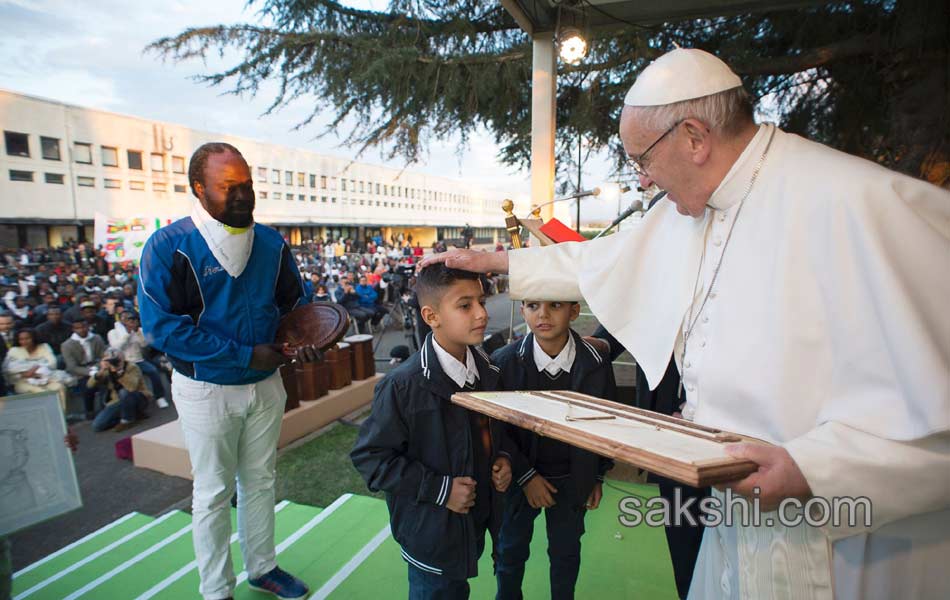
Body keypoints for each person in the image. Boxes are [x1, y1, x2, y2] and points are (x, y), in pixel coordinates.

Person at [420, 48, 950, 599]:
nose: (643, 181)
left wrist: (813, 469)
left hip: (849, 548)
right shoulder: (697, 208)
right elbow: (607, 259)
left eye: (642, 161)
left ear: (694, 137)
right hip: (737, 520)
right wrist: (500, 262)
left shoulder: (862, 203)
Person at [139, 142, 318, 600]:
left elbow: (294, 304)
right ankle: (217, 589)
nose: (243, 196)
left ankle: (262, 568)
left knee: (260, 481)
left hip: (266, 384)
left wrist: (310, 335)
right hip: (206, 389)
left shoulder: (272, 242)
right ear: (198, 188)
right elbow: (163, 329)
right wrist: (244, 355)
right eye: (229, 187)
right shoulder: (167, 246)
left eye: (247, 185)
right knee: (214, 491)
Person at [351, 263, 510, 599]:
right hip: (430, 536)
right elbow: (370, 458)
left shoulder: (488, 371)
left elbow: (493, 434)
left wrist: (502, 458)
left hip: (474, 524)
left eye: (481, 301)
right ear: (431, 316)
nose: (481, 313)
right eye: (465, 305)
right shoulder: (402, 386)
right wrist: (441, 490)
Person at [491, 300, 616, 600]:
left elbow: (607, 423)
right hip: (520, 482)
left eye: (555, 305)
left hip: (573, 481)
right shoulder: (504, 361)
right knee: (509, 551)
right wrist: (525, 477)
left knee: (566, 553)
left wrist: (596, 476)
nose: (543, 314)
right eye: (533, 305)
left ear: (574, 311)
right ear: (522, 311)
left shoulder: (596, 363)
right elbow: (496, 428)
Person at [109, 311, 170, 408]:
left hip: (139, 360)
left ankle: (160, 397)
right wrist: (127, 334)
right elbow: (116, 347)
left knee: (153, 371)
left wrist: (137, 332)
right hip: (124, 363)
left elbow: (146, 344)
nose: (129, 321)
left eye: (131, 319)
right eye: (125, 318)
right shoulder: (113, 332)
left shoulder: (140, 330)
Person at [87, 348, 149, 432]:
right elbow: (89, 385)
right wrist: (101, 371)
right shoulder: (107, 370)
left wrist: (119, 371)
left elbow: (132, 387)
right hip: (118, 401)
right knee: (97, 426)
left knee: (124, 392)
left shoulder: (131, 367)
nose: (114, 362)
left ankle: (127, 421)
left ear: (122, 358)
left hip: (138, 397)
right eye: (111, 360)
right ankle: (133, 415)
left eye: (116, 360)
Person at [2, 328, 67, 407]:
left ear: (34, 338)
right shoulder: (14, 351)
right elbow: (7, 370)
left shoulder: (44, 346)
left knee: (59, 387)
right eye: (21, 339)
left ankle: (61, 416)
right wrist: (23, 374)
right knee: (41, 392)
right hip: (23, 382)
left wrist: (36, 368)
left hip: (46, 378)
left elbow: (52, 363)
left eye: (27, 338)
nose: (24, 341)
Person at [61, 319, 107, 419]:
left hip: (97, 366)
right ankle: (89, 412)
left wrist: (97, 367)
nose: (81, 330)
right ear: (73, 329)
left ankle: (106, 407)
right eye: (78, 328)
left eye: (84, 327)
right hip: (80, 372)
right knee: (88, 386)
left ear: (88, 326)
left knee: (106, 382)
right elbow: (72, 367)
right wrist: (90, 372)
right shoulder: (66, 345)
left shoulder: (96, 338)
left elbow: (104, 356)